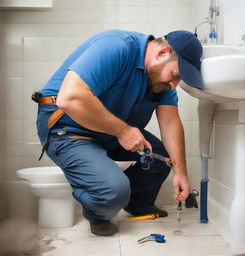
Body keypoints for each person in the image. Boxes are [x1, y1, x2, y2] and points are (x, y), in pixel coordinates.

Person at [35, 29, 203, 236]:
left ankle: (136, 203)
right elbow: (69, 98)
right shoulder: (118, 46)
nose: (174, 85)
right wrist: (123, 131)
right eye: (176, 75)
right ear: (163, 53)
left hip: (109, 131)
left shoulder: (162, 81)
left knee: (164, 157)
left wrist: (180, 171)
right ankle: (101, 206)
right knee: (113, 191)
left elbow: (171, 124)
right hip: (68, 127)